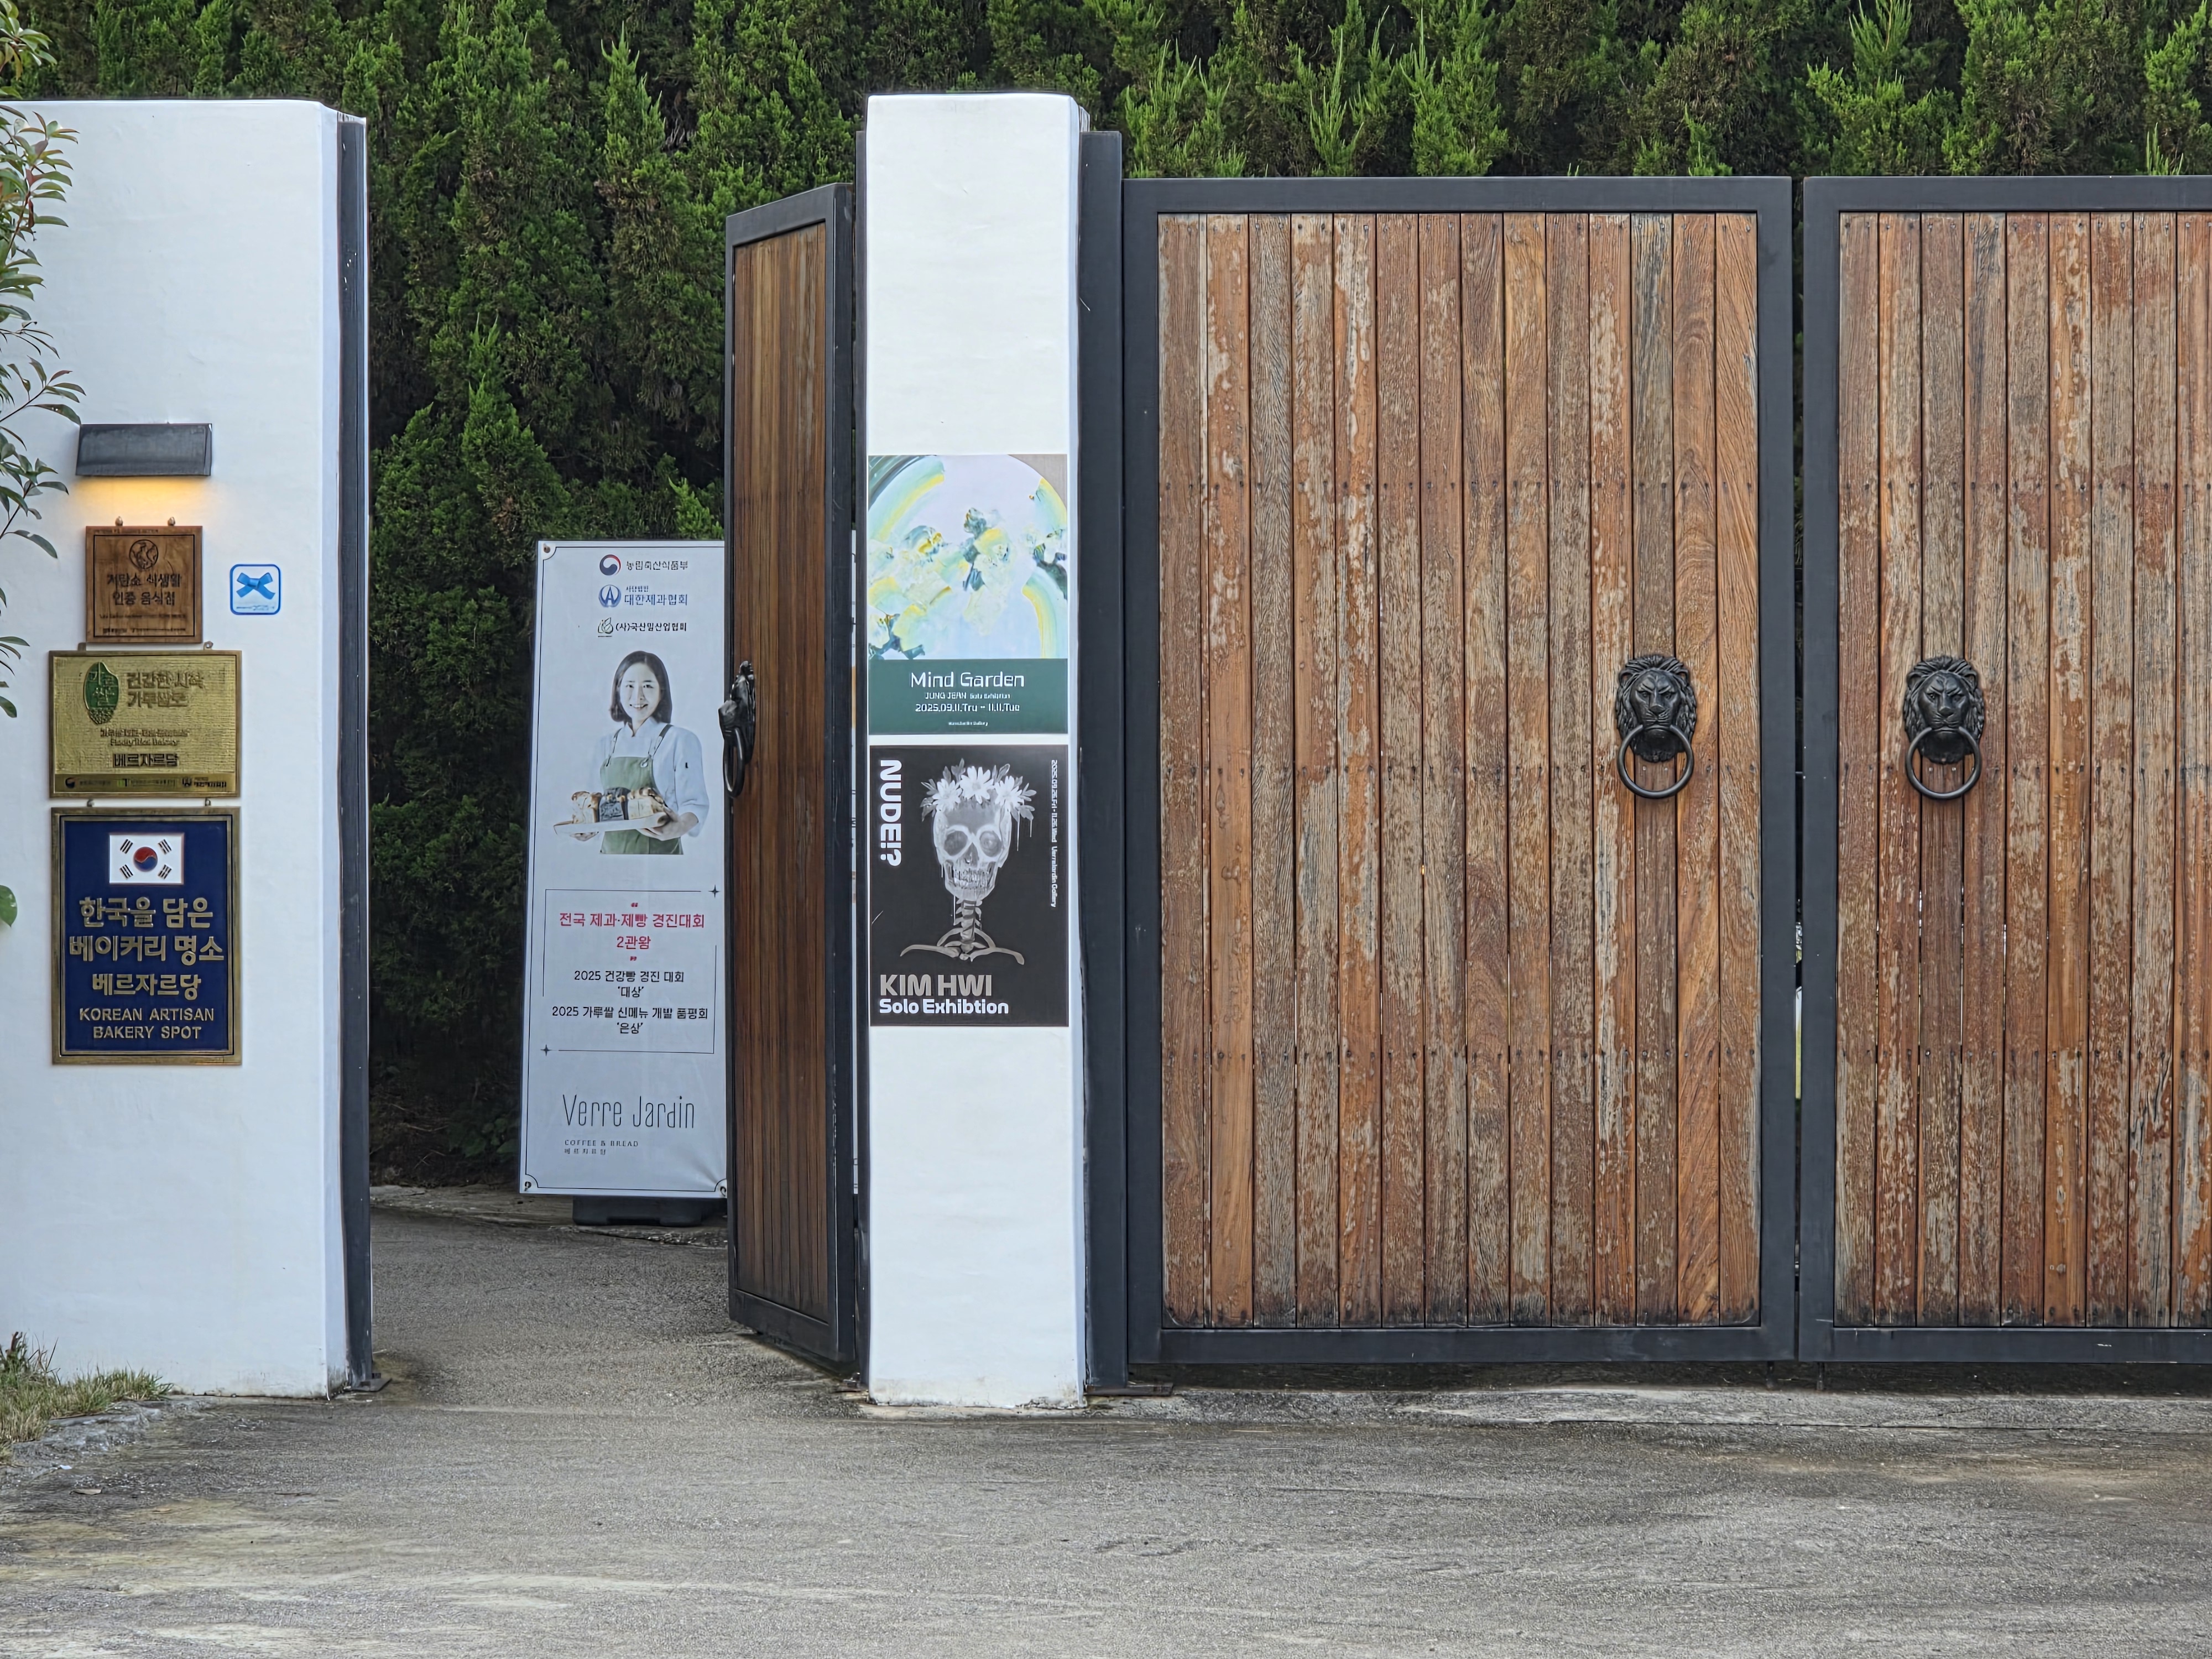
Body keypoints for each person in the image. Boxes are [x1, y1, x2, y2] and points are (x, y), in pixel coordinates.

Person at [578, 651, 709, 855]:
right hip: (610, 860)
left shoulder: (680, 740)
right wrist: (587, 827)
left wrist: (680, 826)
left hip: (660, 859)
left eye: (647, 686)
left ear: (661, 692)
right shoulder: (605, 745)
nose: (637, 696)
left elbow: (695, 804)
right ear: (618, 690)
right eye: (629, 686)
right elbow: (595, 807)